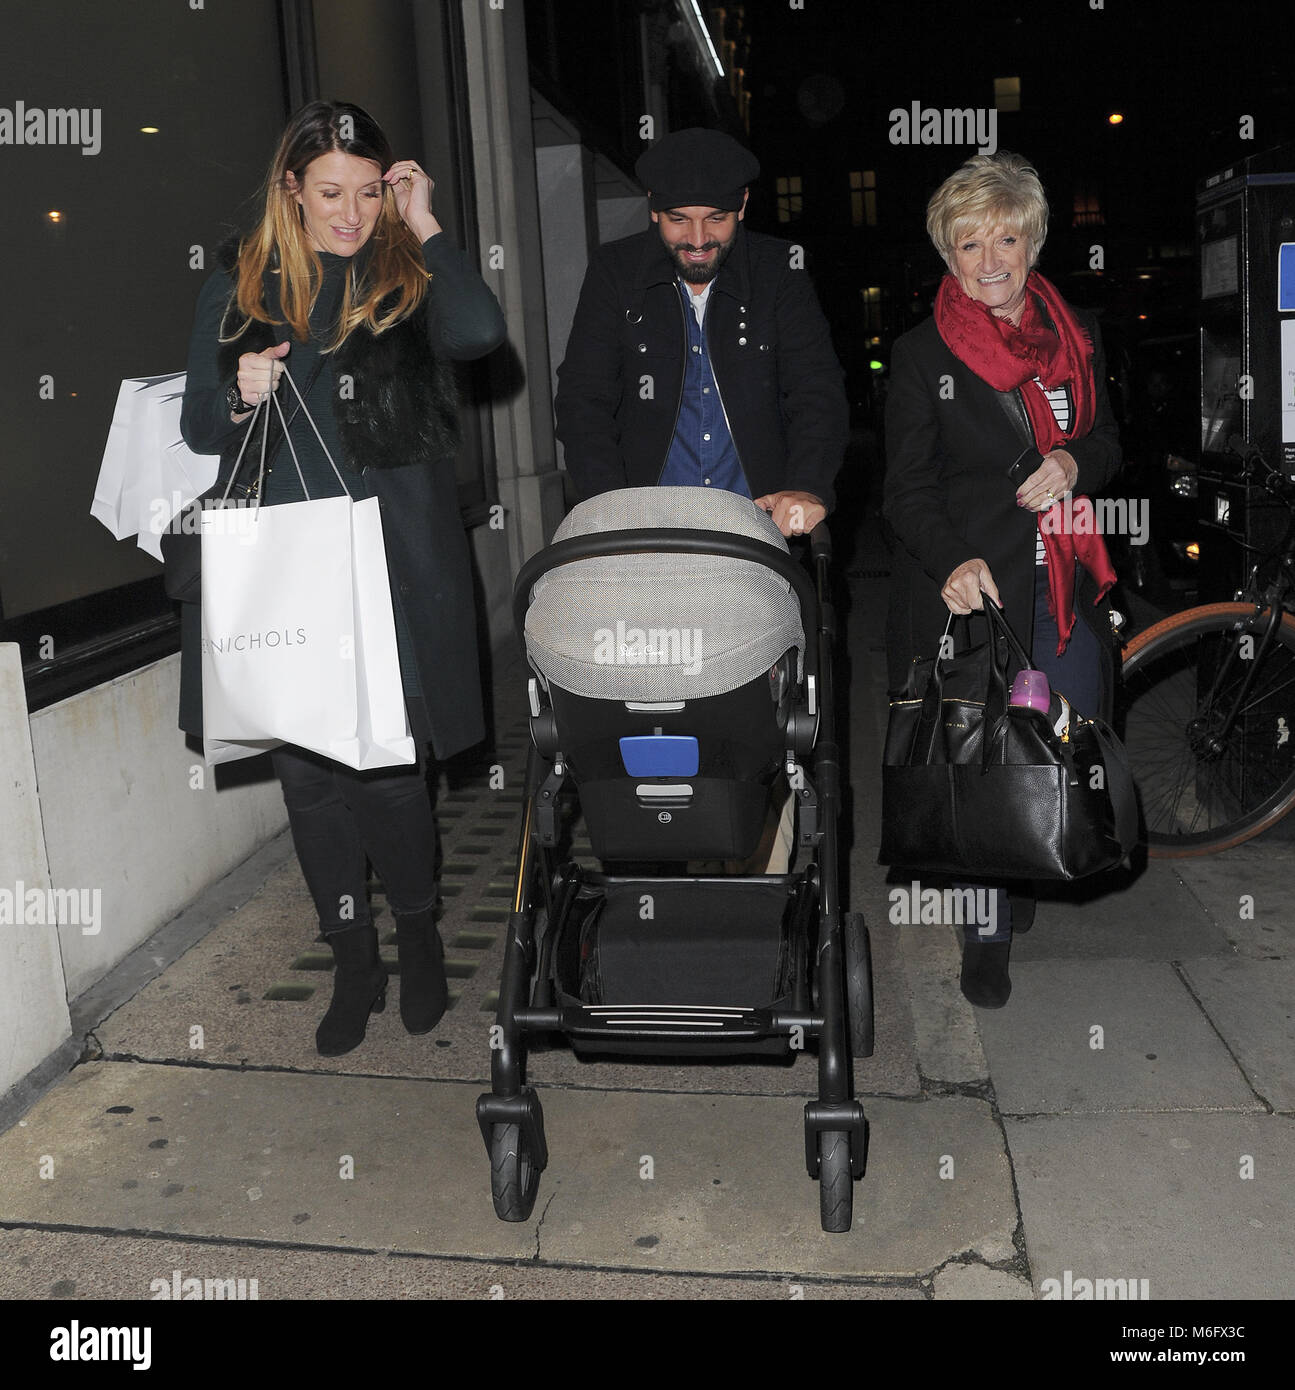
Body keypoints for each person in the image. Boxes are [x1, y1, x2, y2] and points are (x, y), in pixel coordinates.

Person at [179, 100, 505, 1055]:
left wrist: (426, 224)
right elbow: (199, 424)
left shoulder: (405, 274)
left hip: (392, 563)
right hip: (285, 567)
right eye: (330, 193)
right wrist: (240, 392)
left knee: (389, 773)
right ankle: (353, 959)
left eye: (368, 192)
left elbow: (480, 333)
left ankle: (419, 936)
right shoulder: (241, 284)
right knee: (309, 779)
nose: (351, 214)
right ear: (291, 189)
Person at [883, 151, 1122, 1007]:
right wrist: (952, 560)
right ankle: (985, 930)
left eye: (1006, 239)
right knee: (983, 763)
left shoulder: (1078, 334)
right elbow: (904, 490)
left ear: (1033, 242)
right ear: (947, 255)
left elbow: (1108, 442)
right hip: (976, 590)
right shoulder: (921, 356)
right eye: (969, 243)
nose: (990, 260)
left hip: (1063, 589)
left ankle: (1020, 865)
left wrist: (1073, 461)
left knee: (1053, 747)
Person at [554, 126, 848, 538]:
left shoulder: (779, 270)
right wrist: (614, 510)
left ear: (742, 206)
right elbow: (583, 400)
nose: (697, 240)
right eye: (679, 219)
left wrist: (806, 486)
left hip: (760, 524)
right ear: (653, 208)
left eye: (715, 218)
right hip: (648, 528)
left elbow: (816, 391)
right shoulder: (615, 271)